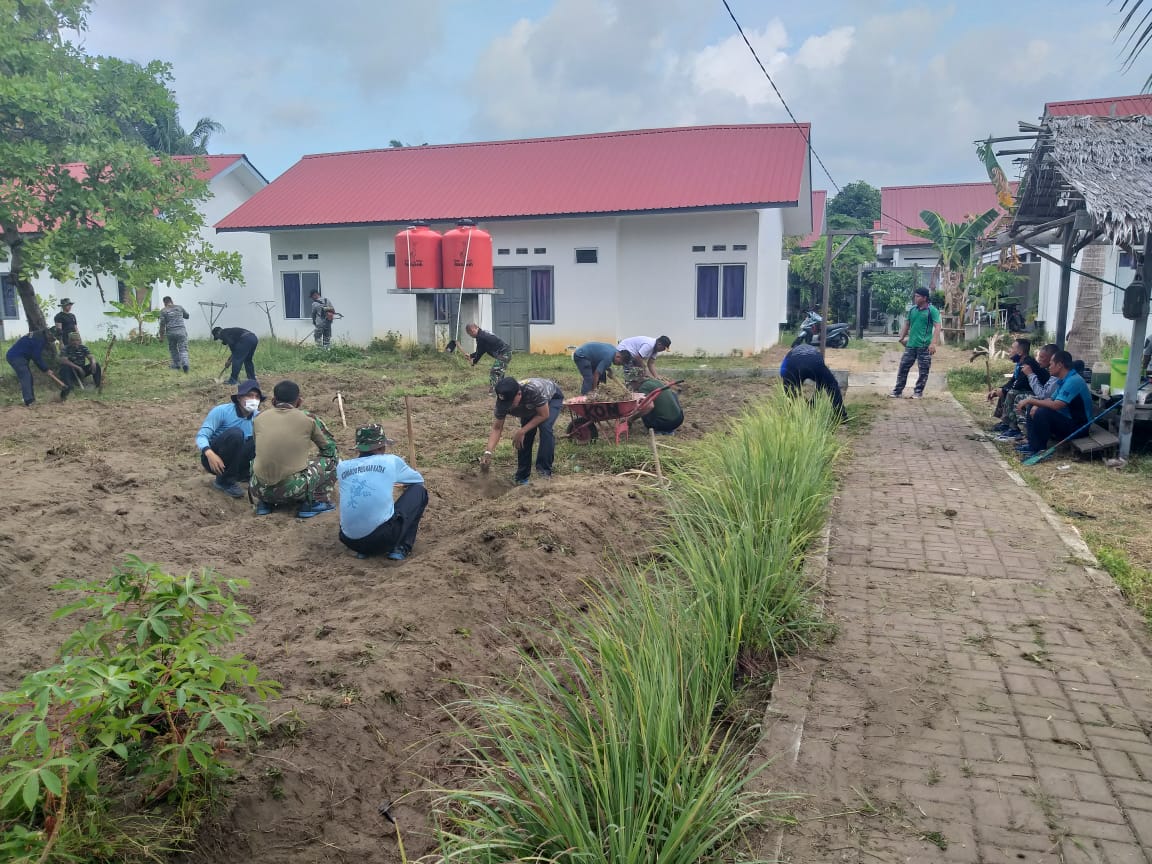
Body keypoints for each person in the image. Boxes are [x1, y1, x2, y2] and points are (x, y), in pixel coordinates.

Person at [337, 424, 428, 561]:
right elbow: (417, 480)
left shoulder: (342, 467)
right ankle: (401, 547)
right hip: (383, 538)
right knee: (419, 491)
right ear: (381, 447)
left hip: (348, 540)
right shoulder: (390, 461)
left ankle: (364, 551)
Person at [250, 380, 339, 517]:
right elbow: (329, 450)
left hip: (258, 487)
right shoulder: (309, 418)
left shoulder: (259, 418)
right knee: (331, 459)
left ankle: (264, 503)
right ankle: (313, 503)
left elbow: (258, 447)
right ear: (299, 401)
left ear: (273, 401)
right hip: (291, 489)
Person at [481, 376, 564, 484]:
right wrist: (488, 452)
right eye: (505, 403)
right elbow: (497, 428)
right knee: (526, 434)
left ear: (519, 394)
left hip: (551, 398)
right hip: (529, 404)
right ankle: (522, 477)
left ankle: (544, 474)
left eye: (510, 403)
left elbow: (543, 415)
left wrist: (521, 431)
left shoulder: (533, 390)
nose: (508, 407)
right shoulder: (503, 401)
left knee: (545, 428)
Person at [1015, 350, 1093, 459]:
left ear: (1060, 365)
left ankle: (1039, 449)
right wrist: (1035, 404)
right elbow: (1050, 399)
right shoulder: (1064, 379)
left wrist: (1031, 401)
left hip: (1080, 427)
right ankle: (1032, 445)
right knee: (1034, 407)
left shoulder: (1073, 381)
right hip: (1068, 421)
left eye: (1051, 363)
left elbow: (1057, 405)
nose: (1049, 367)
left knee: (1043, 412)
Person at [196, 379, 263, 498]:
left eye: (257, 397)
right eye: (249, 395)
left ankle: (243, 474)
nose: (253, 399)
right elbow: (202, 435)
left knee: (261, 437)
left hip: (238, 458)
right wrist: (210, 454)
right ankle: (224, 481)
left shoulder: (258, 417)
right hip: (214, 458)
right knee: (236, 434)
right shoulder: (222, 411)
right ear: (239, 398)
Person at [889, 286, 942, 399]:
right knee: (903, 367)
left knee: (923, 371)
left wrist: (933, 344)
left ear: (924, 298)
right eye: (915, 296)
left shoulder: (932, 310)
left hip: (924, 346)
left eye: (917, 296)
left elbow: (937, 326)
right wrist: (901, 337)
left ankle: (918, 392)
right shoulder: (913, 310)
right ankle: (897, 391)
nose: (915, 298)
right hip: (911, 345)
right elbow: (907, 324)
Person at [779, 343, 845, 419]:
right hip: (815, 363)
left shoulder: (790, 353)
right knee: (831, 385)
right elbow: (820, 382)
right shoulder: (815, 351)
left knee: (790, 391)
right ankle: (841, 416)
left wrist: (787, 383)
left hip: (794, 365)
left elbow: (783, 370)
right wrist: (814, 400)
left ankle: (788, 413)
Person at [987, 338, 1034, 441]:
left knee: (1010, 392)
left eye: (1012, 348)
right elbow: (1012, 381)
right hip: (1022, 390)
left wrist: (1003, 390)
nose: (1009, 350)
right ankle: (1005, 423)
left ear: (1020, 352)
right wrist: (999, 389)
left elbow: (1019, 384)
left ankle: (1014, 428)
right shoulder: (1019, 364)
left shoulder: (1028, 363)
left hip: (1032, 393)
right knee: (1004, 390)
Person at [6, 328, 58, 406]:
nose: (53, 341)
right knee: (25, 376)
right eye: (53, 338)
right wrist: (46, 369)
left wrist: (45, 369)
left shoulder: (39, 334)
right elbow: (36, 357)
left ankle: (31, 399)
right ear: (49, 334)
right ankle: (29, 400)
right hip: (16, 357)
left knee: (28, 377)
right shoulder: (39, 339)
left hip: (19, 356)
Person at [465, 323, 512, 393]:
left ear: (472, 330)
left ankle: (495, 391)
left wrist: (474, 362)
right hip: (505, 352)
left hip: (504, 353)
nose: (471, 336)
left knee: (495, 372)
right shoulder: (482, 334)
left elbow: (480, 352)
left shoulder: (480, 337)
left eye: (470, 334)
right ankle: (504, 389)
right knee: (499, 372)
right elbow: (482, 350)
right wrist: (471, 356)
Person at [158, 295, 191, 372]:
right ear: (171, 301)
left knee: (173, 349)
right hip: (181, 332)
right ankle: (185, 363)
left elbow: (162, 325)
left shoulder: (163, 311)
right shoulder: (179, 307)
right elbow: (187, 316)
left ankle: (176, 365)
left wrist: (161, 337)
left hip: (171, 333)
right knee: (183, 348)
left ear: (164, 303)